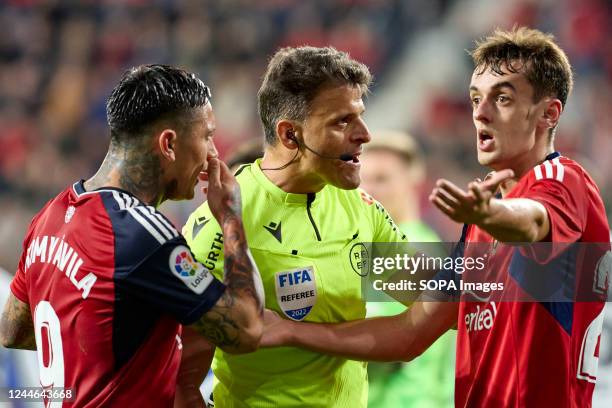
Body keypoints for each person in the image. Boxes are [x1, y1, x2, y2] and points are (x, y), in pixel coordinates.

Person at [261, 27, 610, 407]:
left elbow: (532, 222)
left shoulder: (564, 180)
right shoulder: (478, 225)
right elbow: (411, 334)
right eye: (476, 98)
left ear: (548, 113)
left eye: (503, 98)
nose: (481, 113)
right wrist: (289, 331)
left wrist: (490, 214)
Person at [0, 64, 264, 407]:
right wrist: (230, 217)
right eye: (207, 136)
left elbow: (12, 330)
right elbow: (247, 329)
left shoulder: (49, 217)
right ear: (168, 144)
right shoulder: (140, 233)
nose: (213, 153)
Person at [177, 46, 406, 407]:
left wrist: (502, 239)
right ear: (290, 135)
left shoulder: (360, 208)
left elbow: (442, 297)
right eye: (342, 121)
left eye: (359, 116)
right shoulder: (222, 221)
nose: (365, 134)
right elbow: (182, 377)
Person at [360, 131, 454, 408]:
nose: (369, 190)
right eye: (363, 180)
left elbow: (380, 339)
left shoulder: (412, 247)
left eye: (382, 179)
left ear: (413, 181)